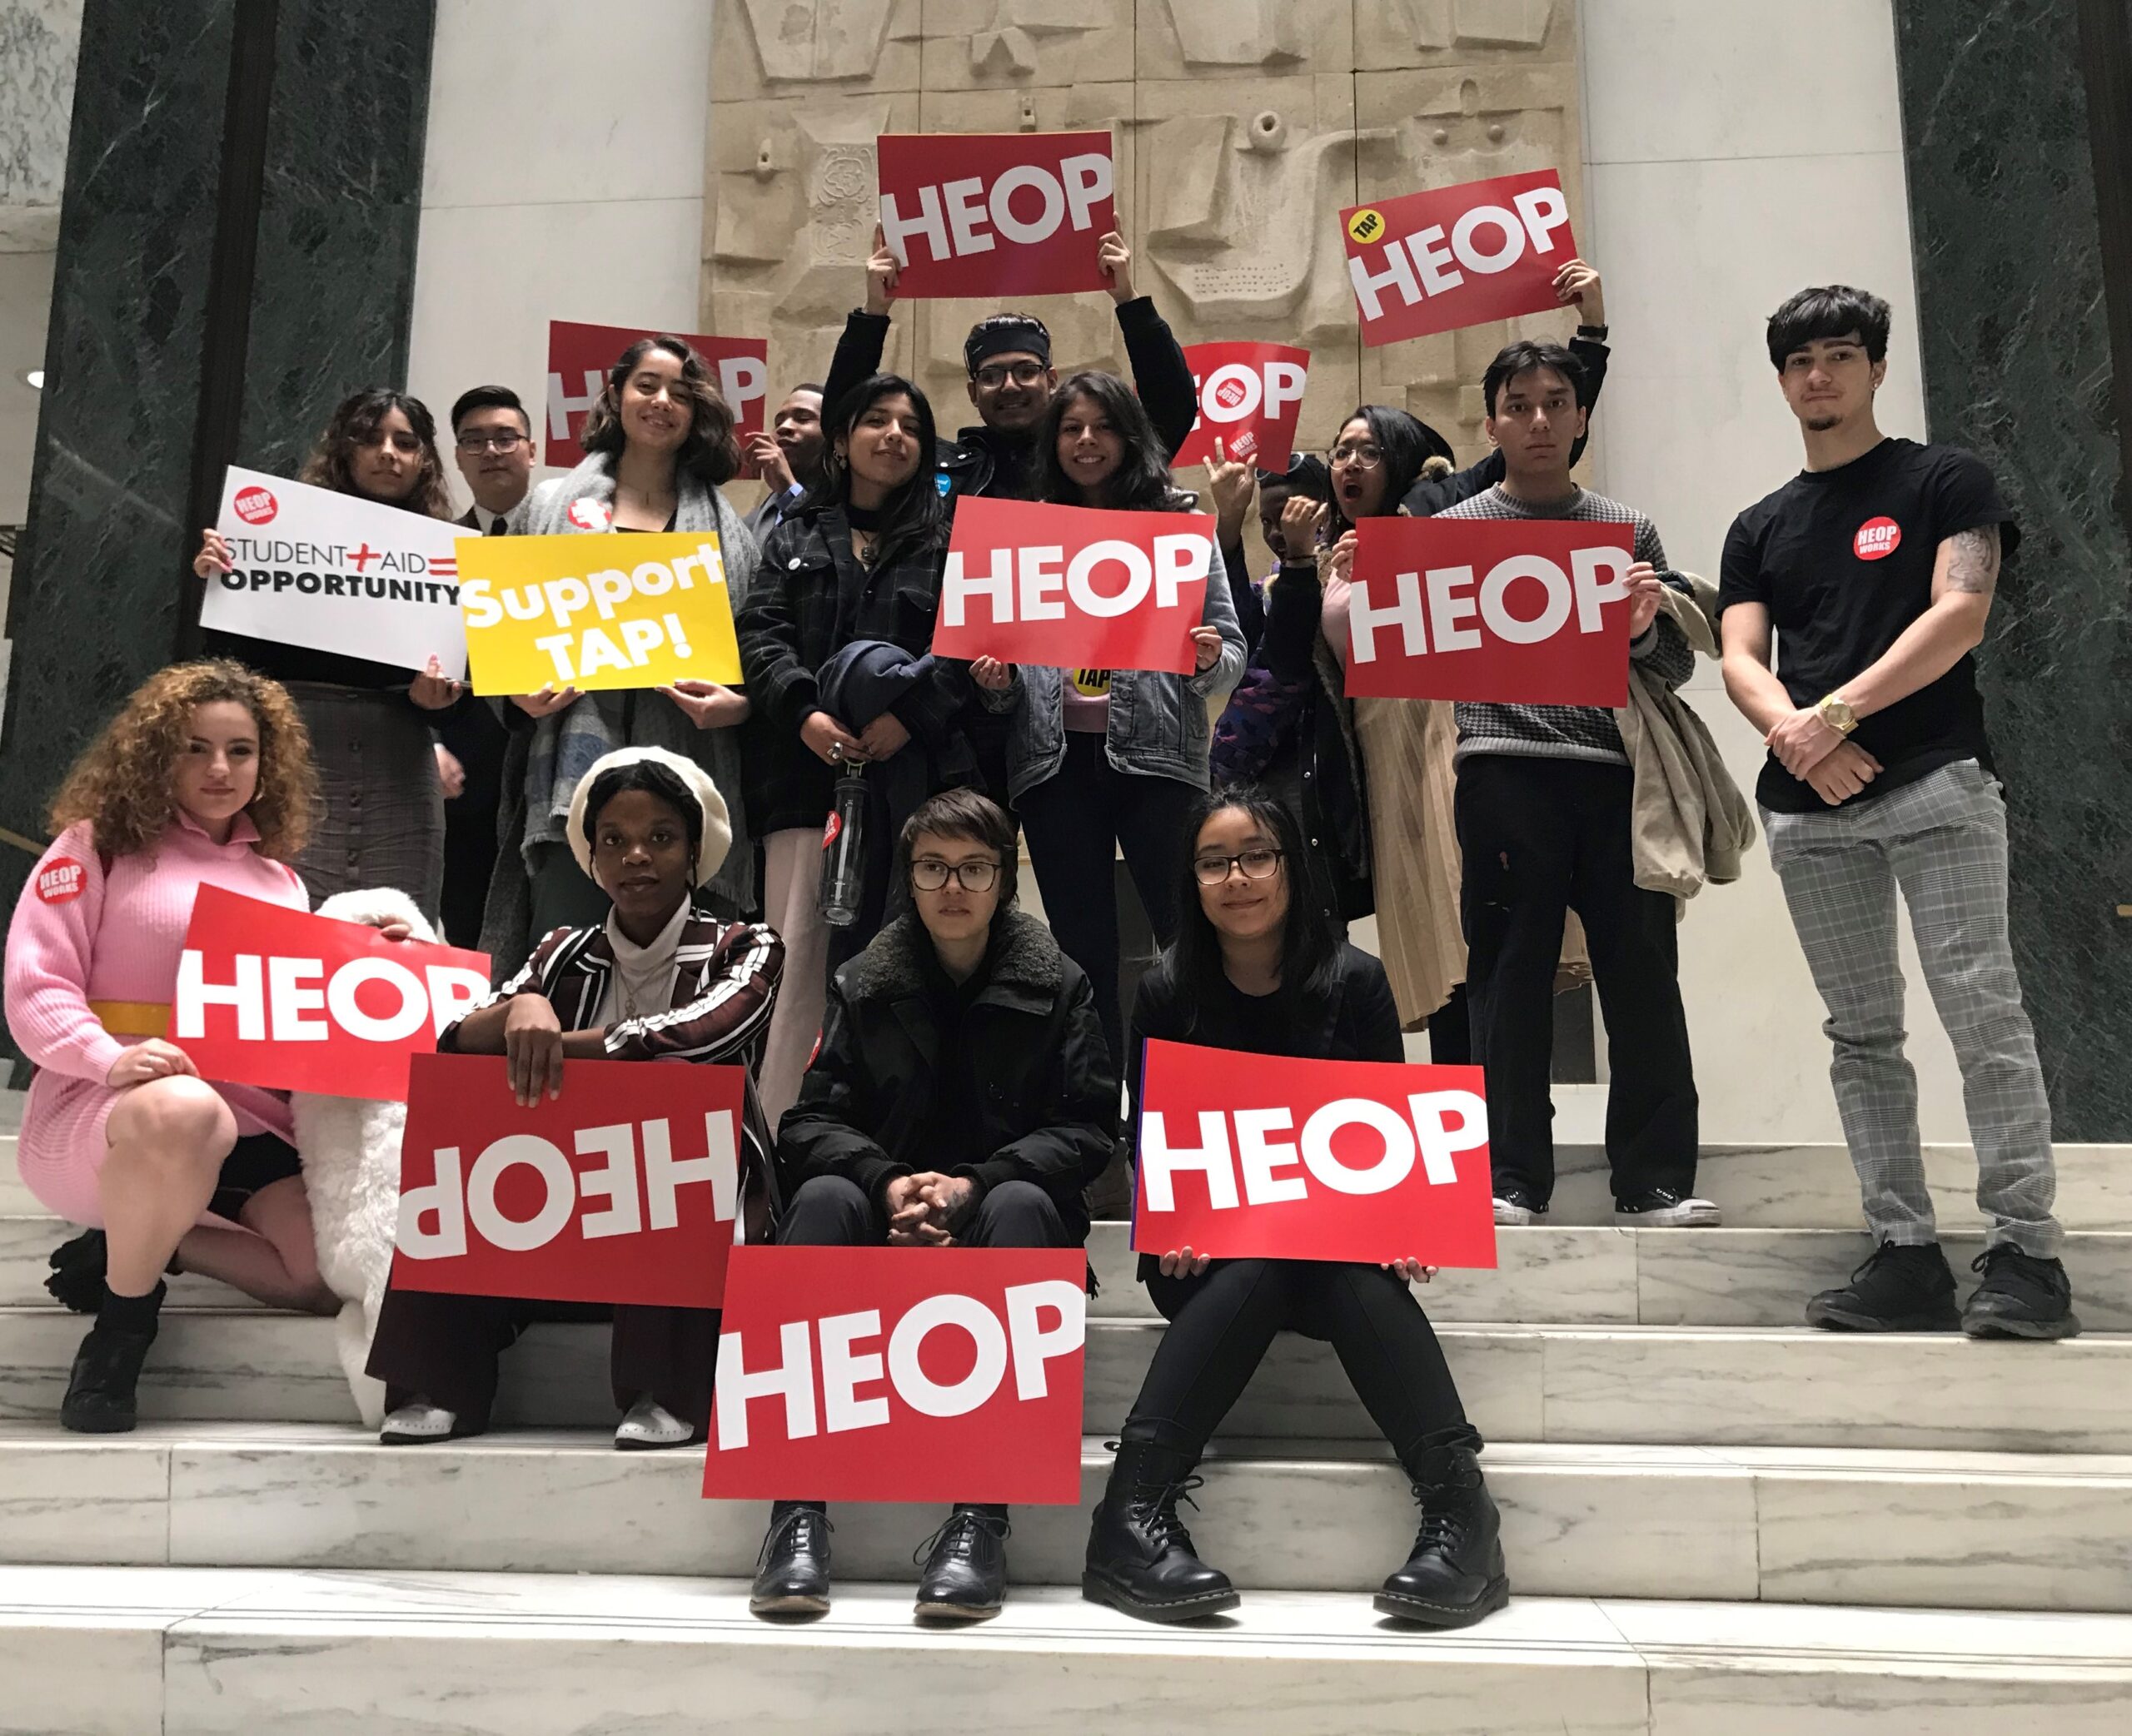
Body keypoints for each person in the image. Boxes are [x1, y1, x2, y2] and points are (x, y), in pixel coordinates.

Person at [1718, 285, 2075, 1339]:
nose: (1817, 376)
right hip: (1809, 810)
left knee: (1984, 1015)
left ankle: (2025, 1252)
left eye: (1838, 355)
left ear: (1876, 367)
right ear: (1781, 381)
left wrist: (1828, 715)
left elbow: (1959, 612)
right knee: (1862, 1036)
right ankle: (1904, 1250)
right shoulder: (1759, 525)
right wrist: (1795, 738)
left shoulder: (1943, 480)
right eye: (1798, 362)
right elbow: (1739, 655)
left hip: (1933, 784)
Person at [1082, 788, 1505, 1629]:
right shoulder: (1166, 989)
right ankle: (1133, 1516)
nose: (1236, 878)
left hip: (1336, 1256)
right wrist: (1176, 1223)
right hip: (1203, 1264)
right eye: (1214, 862)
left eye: (1256, 856)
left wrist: (1401, 1229)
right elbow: (1154, 1143)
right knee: (1271, 1252)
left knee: (1327, 1259)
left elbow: (1387, 1141)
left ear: (1291, 865)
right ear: (1190, 881)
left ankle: (1461, 1516)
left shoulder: (1357, 981)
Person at [750, 788, 1114, 1624]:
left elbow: (1090, 1129)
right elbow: (810, 1121)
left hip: (997, 1206)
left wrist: (970, 1186)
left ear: (1003, 879)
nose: (954, 887)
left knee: (1024, 1204)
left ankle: (980, 1520)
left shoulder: (1060, 984)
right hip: (887, 1201)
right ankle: (794, 1515)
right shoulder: (864, 980)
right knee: (821, 1198)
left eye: (975, 868)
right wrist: (886, 1182)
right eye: (933, 869)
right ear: (909, 880)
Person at [366, 747, 785, 1447]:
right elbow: (454, 1041)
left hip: (693, 1211)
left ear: (694, 852)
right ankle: (441, 1384)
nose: (636, 857)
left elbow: (701, 1035)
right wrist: (520, 1008)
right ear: (591, 857)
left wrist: (566, 1043)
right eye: (614, 841)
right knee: (464, 1118)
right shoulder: (562, 950)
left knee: (664, 1109)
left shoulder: (744, 943)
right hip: (564, 1207)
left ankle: (665, 1391)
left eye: (660, 838)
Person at [5, 662, 335, 1433]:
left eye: (241, 750)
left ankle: (150, 1236)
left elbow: (296, 1022)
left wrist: (369, 958)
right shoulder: (98, 847)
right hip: (109, 1114)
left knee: (321, 1277)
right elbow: (34, 983)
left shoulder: (282, 881)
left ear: (267, 761)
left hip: (249, 1128)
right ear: (156, 751)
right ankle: (121, 1329)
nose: (220, 769)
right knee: (186, 1109)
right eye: (195, 747)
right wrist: (105, 1057)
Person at [1436, 341, 1714, 1230]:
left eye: (1556, 401)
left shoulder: (1625, 529)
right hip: (1500, 771)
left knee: (1641, 975)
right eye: (1518, 404)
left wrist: (1639, 628)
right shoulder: (1452, 532)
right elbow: (1413, 653)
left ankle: (1652, 1181)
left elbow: (1673, 663)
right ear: (1491, 423)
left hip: (1613, 777)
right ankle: (1511, 1178)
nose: (1539, 420)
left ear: (1582, 415)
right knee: (1509, 978)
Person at [971, 371, 1247, 1073]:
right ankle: (1099, 1127)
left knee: (1188, 940)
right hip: (1052, 765)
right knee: (1081, 953)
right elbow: (1001, 673)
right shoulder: (1024, 532)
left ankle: (1196, 1103)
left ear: (1131, 436)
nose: (1087, 441)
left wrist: (1206, 660)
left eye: (1102, 426)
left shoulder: (1179, 528)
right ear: (1051, 441)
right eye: (1070, 428)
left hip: (1158, 760)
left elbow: (1231, 653)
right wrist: (996, 685)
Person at [735, 373, 974, 1124]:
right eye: (876, 420)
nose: (894, 435)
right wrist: (805, 715)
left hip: (917, 789)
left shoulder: (953, 540)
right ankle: (780, 1157)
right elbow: (759, 635)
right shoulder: (796, 532)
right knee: (799, 972)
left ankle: (896, 1152)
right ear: (843, 439)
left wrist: (914, 717)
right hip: (806, 790)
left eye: (910, 425)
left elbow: (972, 641)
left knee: (908, 974)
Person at [483, 336, 760, 977]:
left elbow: (753, 650)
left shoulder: (725, 526)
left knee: (678, 985)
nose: (663, 402)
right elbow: (500, 641)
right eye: (647, 386)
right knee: (565, 973)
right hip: (570, 792)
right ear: (615, 393)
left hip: (687, 783)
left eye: (682, 392)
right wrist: (517, 693)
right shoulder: (548, 507)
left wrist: (737, 706)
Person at [193, 390, 463, 920]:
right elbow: (230, 668)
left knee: (402, 933)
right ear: (343, 449)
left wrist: (438, 702)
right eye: (371, 439)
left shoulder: (453, 556)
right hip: (297, 753)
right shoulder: (276, 535)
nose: (389, 452)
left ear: (424, 459)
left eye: (405, 442)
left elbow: (469, 696)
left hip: (399, 767)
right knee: (284, 926)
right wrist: (219, 583)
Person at [823, 223, 1198, 499]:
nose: (1010, 385)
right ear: (973, 392)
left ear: (1051, 380)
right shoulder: (937, 471)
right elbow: (843, 425)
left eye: (1025, 371)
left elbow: (1172, 408)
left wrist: (1128, 300)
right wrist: (873, 314)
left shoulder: (1090, 461)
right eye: (991, 375)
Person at [434, 385, 535, 947]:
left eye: (504, 437)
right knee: (467, 930)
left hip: (546, 766)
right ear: (458, 456)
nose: (491, 450)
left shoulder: (568, 543)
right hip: (463, 774)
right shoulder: (430, 548)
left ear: (532, 449)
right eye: (474, 441)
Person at [1398, 259, 1611, 516]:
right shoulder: (1448, 517)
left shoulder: (1628, 526)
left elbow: (1547, 447)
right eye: (1342, 451)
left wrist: (1591, 328)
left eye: (1371, 450)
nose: (1540, 421)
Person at [743, 382, 827, 541]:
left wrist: (790, 491)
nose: (784, 427)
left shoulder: (853, 499)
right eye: (779, 422)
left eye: (803, 418)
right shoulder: (758, 518)